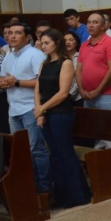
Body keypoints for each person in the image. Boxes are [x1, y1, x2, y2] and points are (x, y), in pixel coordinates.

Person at [34, 29, 91, 207]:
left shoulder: (65, 63)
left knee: (65, 153)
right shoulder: (44, 63)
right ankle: (62, 196)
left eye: (46, 43)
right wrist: (40, 111)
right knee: (55, 155)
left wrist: (42, 108)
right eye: (42, 43)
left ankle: (78, 195)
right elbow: (38, 89)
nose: (43, 46)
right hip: (47, 113)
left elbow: (63, 93)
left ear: (56, 43)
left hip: (61, 113)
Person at [0, 24, 51, 194]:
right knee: (21, 151)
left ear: (27, 37)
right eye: (10, 33)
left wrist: (17, 82)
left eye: (17, 33)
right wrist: (3, 83)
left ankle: (44, 189)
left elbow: (42, 81)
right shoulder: (8, 56)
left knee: (36, 149)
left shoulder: (35, 55)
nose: (12, 36)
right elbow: (4, 79)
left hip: (31, 108)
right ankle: (31, 187)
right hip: (13, 109)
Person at [77, 12, 111, 110]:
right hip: (87, 95)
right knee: (91, 125)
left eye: (95, 22)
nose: (91, 25)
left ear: (103, 26)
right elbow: (79, 70)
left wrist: (97, 91)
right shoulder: (84, 46)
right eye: (89, 22)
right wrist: (81, 90)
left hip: (107, 96)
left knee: (108, 125)